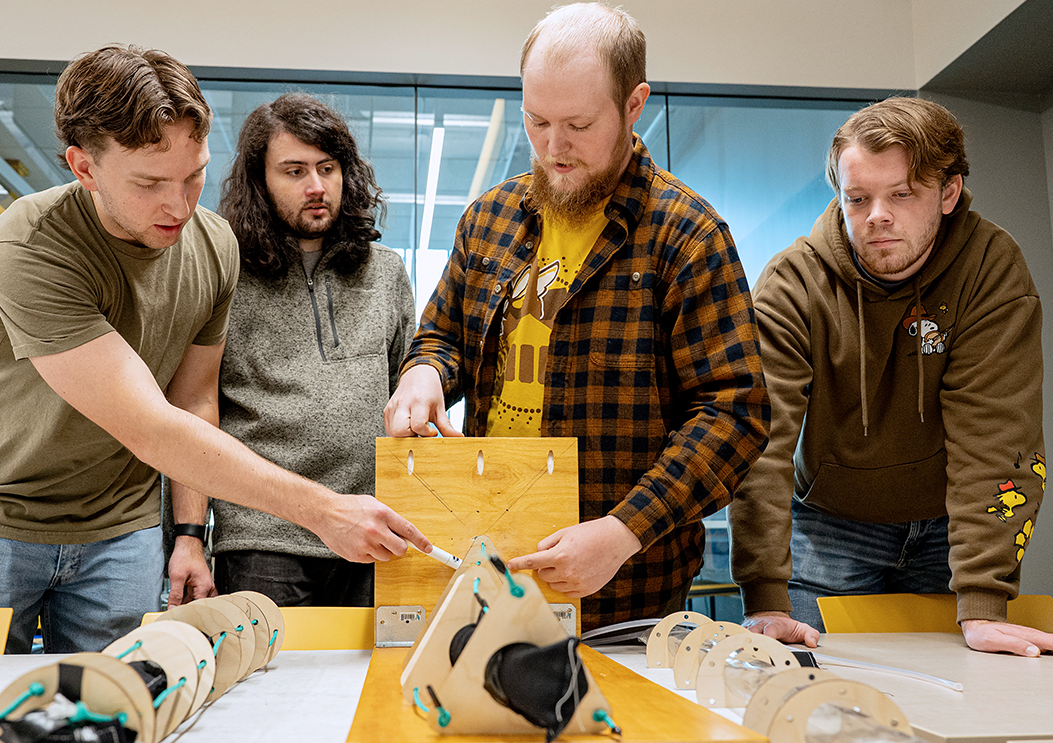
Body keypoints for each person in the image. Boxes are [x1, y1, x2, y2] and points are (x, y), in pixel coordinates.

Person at [0, 45, 429, 654]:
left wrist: (185, 533)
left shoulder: (212, 246)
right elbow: (150, 426)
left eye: (193, 174)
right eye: (149, 183)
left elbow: (194, 400)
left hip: (120, 533)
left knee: (122, 710)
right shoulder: (28, 245)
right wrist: (324, 510)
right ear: (84, 166)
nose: (178, 206)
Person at [383, 2, 770, 631]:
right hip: (494, 567)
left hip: (627, 590)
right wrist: (425, 372)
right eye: (536, 121)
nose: (553, 149)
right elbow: (443, 335)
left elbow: (734, 414)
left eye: (578, 125)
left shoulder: (688, 237)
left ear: (633, 104)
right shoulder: (489, 219)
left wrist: (622, 532)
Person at [729, 96, 1053, 657]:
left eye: (901, 195)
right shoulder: (794, 281)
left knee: (960, 703)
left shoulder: (990, 268)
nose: (876, 214)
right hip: (830, 526)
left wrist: (982, 599)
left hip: (949, 522)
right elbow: (763, 440)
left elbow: (997, 436)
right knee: (813, 703)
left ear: (948, 193)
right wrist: (764, 598)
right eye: (857, 198)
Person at [167, 93, 414, 607]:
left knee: (370, 684)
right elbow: (194, 410)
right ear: (260, 182)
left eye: (328, 168)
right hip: (263, 540)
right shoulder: (224, 272)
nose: (317, 186)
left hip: (372, 533)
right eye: (295, 171)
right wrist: (189, 534)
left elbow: (404, 399)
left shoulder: (386, 272)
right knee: (268, 686)